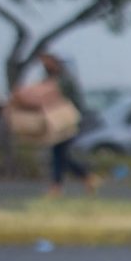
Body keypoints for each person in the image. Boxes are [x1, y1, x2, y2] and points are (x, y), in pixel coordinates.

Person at [28, 53, 96, 196]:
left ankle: (60, 185)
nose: (45, 65)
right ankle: (85, 177)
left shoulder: (64, 80)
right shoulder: (49, 79)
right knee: (60, 153)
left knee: (59, 153)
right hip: (55, 120)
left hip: (67, 120)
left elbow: (73, 100)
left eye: (47, 62)